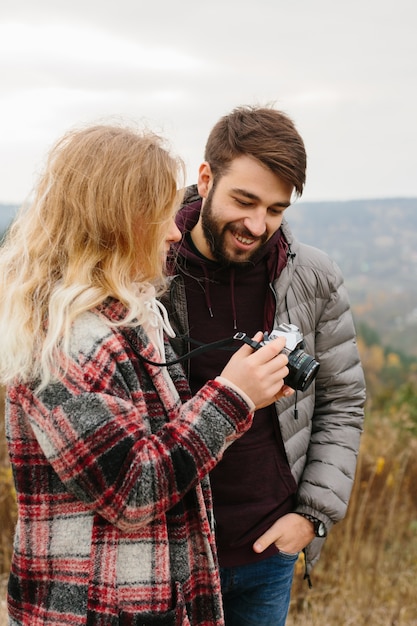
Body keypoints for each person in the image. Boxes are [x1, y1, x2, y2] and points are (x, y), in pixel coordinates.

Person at [0, 123, 293, 626]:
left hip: (139, 599)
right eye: (161, 217)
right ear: (118, 222)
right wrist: (233, 396)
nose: (175, 231)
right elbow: (134, 489)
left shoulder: (123, 317)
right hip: (94, 608)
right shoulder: (69, 341)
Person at [162, 105, 366, 626]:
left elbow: (343, 401)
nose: (257, 226)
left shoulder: (312, 276)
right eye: (244, 201)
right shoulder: (149, 268)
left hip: (268, 548)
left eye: (275, 209)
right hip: (169, 551)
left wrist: (312, 516)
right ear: (205, 179)